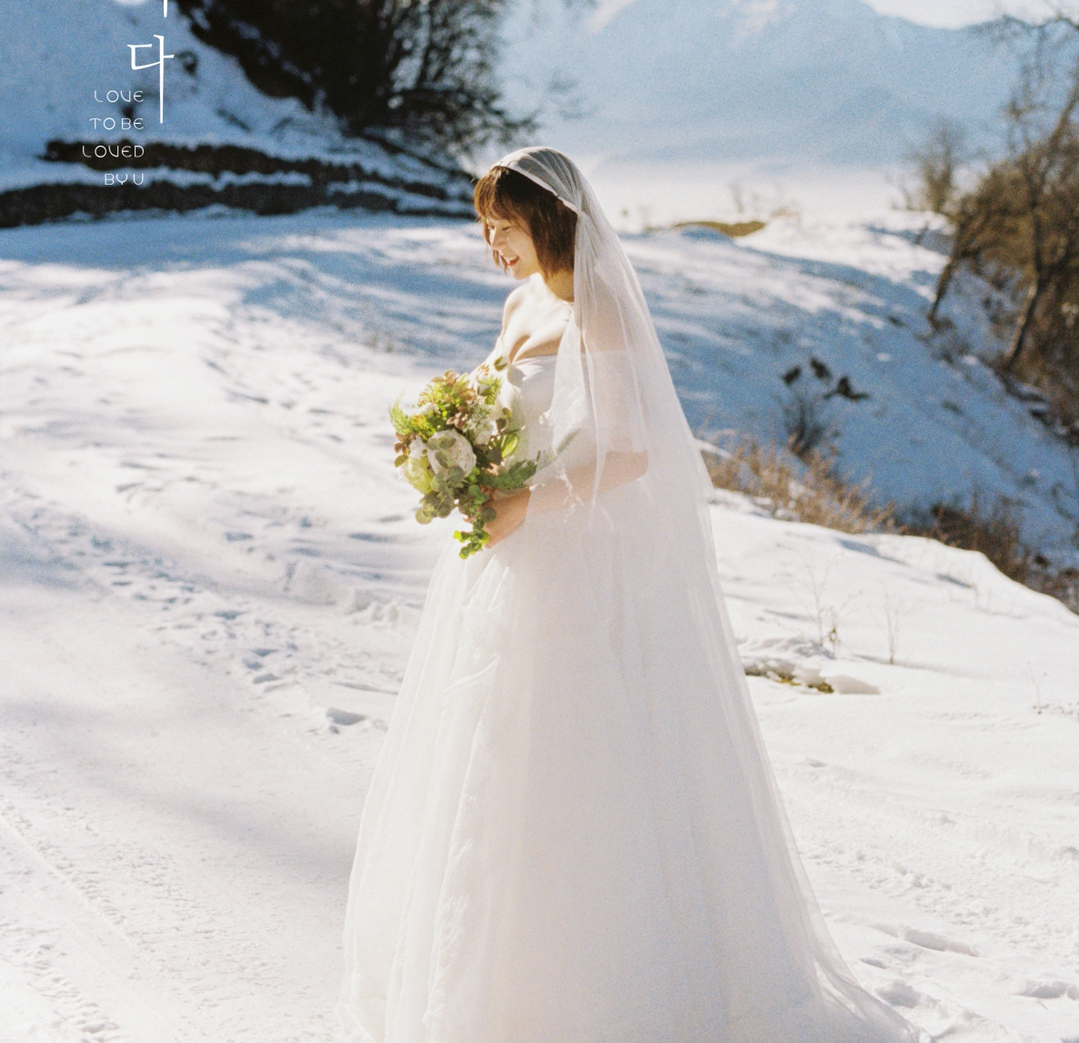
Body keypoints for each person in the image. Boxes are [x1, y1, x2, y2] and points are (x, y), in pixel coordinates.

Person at [339, 147, 915, 1043]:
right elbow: (504, 410)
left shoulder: (598, 310)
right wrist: (457, 456)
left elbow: (634, 449)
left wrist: (527, 499)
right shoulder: (520, 300)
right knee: (488, 760)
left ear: (549, 221)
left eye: (505, 226)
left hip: (573, 566)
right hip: (505, 560)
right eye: (485, 227)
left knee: (578, 767)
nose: (492, 243)